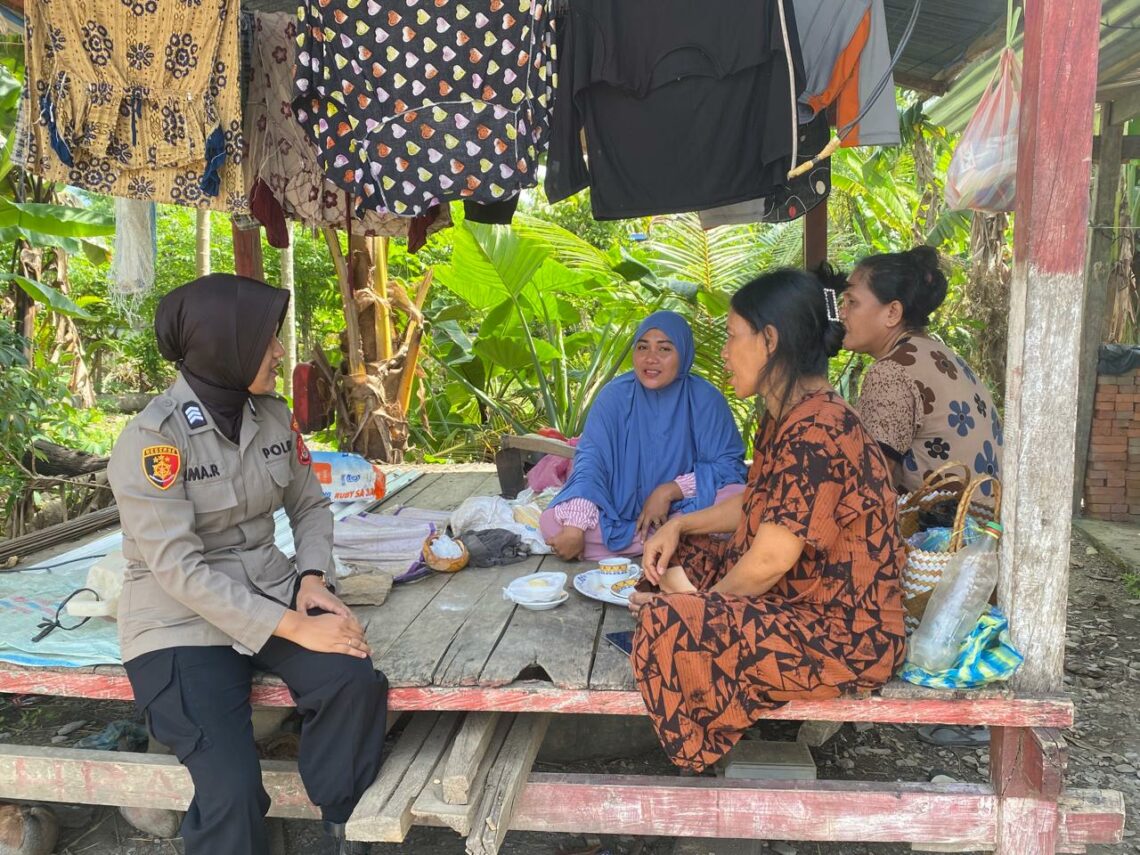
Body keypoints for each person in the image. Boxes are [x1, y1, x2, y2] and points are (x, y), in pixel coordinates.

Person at [107, 274, 386, 855]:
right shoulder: (152, 441)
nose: (280, 352)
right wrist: (295, 626)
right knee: (231, 788)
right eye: (266, 340)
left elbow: (310, 505)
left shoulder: (272, 418)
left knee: (352, 678)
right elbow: (180, 572)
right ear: (220, 344)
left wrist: (312, 580)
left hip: (268, 588)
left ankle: (341, 826)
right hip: (178, 621)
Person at [629, 269, 906, 772]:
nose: (726, 353)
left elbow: (771, 560)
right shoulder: (791, 416)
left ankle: (688, 649)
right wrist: (678, 527)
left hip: (845, 638)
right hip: (802, 606)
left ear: (770, 340)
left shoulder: (819, 429)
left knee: (671, 622)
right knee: (683, 557)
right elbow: (758, 501)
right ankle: (681, 607)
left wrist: (702, 612)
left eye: (734, 337)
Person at [540, 310, 746, 562]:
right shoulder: (613, 397)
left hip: (681, 511)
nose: (651, 359)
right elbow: (590, 461)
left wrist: (669, 491)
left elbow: (729, 467)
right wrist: (575, 526)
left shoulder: (706, 399)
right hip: (617, 513)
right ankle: (670, 544)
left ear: (683, 354)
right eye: (642, 347)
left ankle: (667, 536)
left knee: (739, 497)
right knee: (553, 522)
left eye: (664, 349)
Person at [838, 246, 1003, 496]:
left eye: (852, 302)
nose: (841, 313)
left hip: (941, 533)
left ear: (892, 312)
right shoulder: (942, 356)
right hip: (983, 531)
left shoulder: (892, 371)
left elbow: (868, 485)